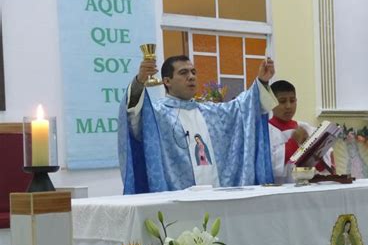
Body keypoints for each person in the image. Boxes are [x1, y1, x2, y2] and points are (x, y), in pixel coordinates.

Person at [118, 55, 278, 194]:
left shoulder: (212, 112)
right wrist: (139, 82)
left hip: (217, 196)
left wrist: (262, 81)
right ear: (167, 81)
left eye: (193, 72)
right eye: (183, 73)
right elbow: (132, 116)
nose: (191, 77)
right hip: (177, 200)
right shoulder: (157, 114)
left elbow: (243, 108)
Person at [268, 80, 334, 184]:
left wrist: (314, 149)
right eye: (282, 101)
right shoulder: (265, 132)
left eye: (292, 100)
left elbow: (324, 166)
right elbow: (268, 165)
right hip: (280, 191)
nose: (288, 106)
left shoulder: (305, 128)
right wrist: (293, 143)